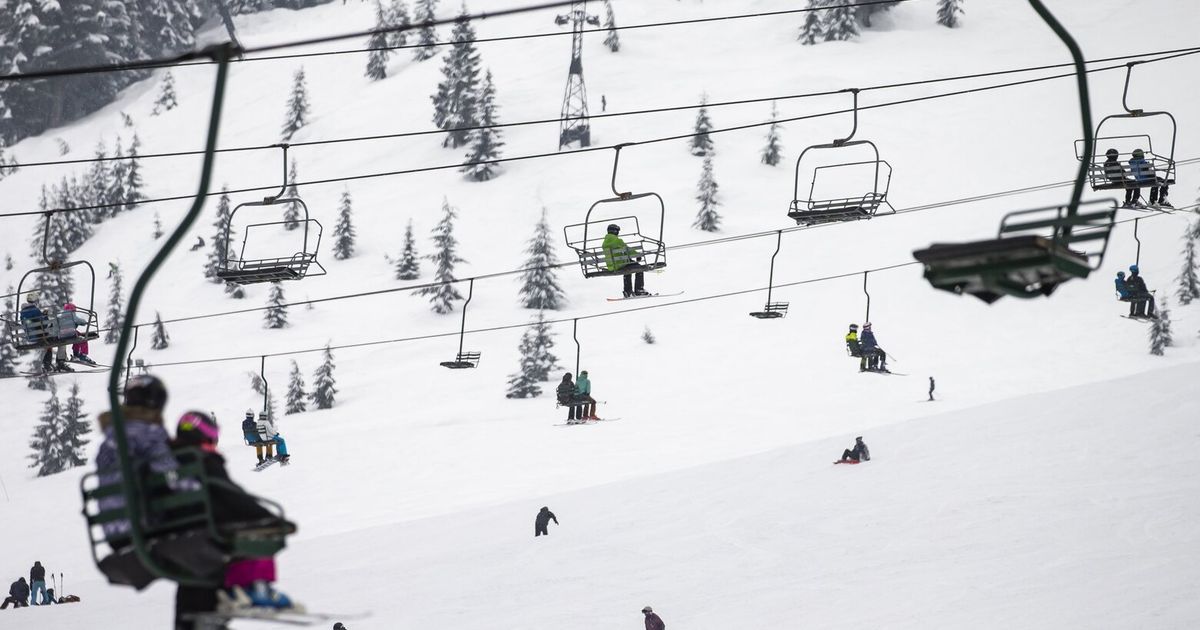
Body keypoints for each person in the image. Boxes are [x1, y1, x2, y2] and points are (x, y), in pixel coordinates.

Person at [170, 410, 300, 624]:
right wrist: (269, 517)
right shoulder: (202, 459)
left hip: (173, 529)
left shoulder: (167, 461)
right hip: (205, 526)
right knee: (256, 531)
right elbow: (231, 495)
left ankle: (193, 614)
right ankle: (254, 587)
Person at [19, 293, 70, 373]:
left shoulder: (23, 312)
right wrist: (45, 316)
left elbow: (32, 322)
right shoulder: (35, 310)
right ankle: (60, 363)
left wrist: (42, 316)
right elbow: (44, 324)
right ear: (35, 301)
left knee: (48, 344)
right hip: (40, 335)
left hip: (31, 336)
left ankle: (47, 365)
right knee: (62, 340)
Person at [602, 224, 649, 298]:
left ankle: (628, 291)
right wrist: (637, 255)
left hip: (612, 266)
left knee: (628, 268)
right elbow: (628, 250)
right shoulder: (617, 241)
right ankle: (639, 290)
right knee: (639, 268)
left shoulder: (604, 242)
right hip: (621, 265)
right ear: (615, 231)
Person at [61, 301, 96, 365]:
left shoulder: (61, 315)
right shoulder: (71, 315)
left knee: (77, 338)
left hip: (62, 334)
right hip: (70, 333)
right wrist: (85, 322)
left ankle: (76, 355)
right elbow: (80, 321)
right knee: (83, 339)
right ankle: (83, 355)